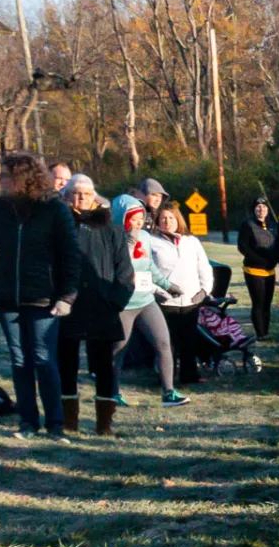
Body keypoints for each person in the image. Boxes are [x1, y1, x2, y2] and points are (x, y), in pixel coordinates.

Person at [0, 152, 81, 441]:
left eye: (6, 175)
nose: (1, 179)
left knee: (42, 358)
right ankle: (28, 422)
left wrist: (67, 296)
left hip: (43, 298)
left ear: (24, 178)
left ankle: (55, 424)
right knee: (19, 359)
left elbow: (70, 256)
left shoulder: (53, 209)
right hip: (7, 297)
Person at [57, 174, 134, 435]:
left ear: (95, 198)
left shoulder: (111, 229)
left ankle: (104, 425)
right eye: (75, 193)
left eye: (86, 194)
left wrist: (116, 301)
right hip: (67, 307)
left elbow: (124, 272)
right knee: (65, 364)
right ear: (66, 197)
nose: (81, 198)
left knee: (104, 368)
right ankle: (69, 423)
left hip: (103, 308)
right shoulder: (58, 226)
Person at [108, 193, 193, 408]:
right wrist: (127, 245)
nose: (137, 224)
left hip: (146, 301)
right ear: (121, 218)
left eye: (139, 219)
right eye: (132, 219)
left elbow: (150, 267)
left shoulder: (145, 238)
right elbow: (109, 270)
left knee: (164, 343)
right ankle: (111, 392)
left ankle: (169, 393)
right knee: (118, 349)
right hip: (123, 305)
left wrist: (167, 286)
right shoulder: (110, 238)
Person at [148, 204, 215, 386]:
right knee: (167, 343)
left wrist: (204, 291)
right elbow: (146, 270)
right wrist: (157, 292)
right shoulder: (151, 241)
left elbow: (204, 267)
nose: (167, 222)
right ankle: (166, 378)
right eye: (163, 218)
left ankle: (189, 376)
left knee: (189, 341)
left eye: (171, 218)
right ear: (157, 221)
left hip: (190, 300)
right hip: (165, 301)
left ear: (178, 220)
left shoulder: (191, 241)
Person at [238, 196, 279, 339]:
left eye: (264, 207)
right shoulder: (248, 224)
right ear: (254, 209)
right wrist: (259, 260)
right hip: (254, 270)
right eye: (258, 207)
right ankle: (260, 333)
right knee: (258, 302)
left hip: (269, 270)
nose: (261, 210)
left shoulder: (272, 224)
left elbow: (278, 244)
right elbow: (243, 247)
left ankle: (266, 330)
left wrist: (277, 259)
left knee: (267, 303)